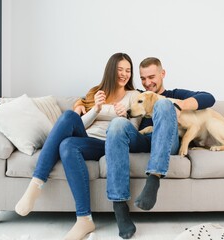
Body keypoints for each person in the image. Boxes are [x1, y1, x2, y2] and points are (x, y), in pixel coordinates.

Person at [15, 53, 141, 240]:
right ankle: (83, 218)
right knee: (68, 132)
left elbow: (134, 131)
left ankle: (40, 186)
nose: (124, 74)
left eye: (128, 70)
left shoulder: (134, 96)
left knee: (67, 138)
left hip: (109, 143)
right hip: (87, 139)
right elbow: (81, 125)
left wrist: (125, 117)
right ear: (110, 71)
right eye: (120, 70)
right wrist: (96, 109)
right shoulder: (95, 93)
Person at [105, 57, 216, 239]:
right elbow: (113, 92)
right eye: (143, 78)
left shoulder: (176, 93)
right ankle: (119, 206)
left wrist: (180, 105)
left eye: (152, 77)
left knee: (164, 103)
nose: (147, 83)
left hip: (168, 142)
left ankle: (153, 180)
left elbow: (209, 98)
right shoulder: (138, 96)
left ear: (162, 74)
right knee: (117, 125)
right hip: (142, 139)